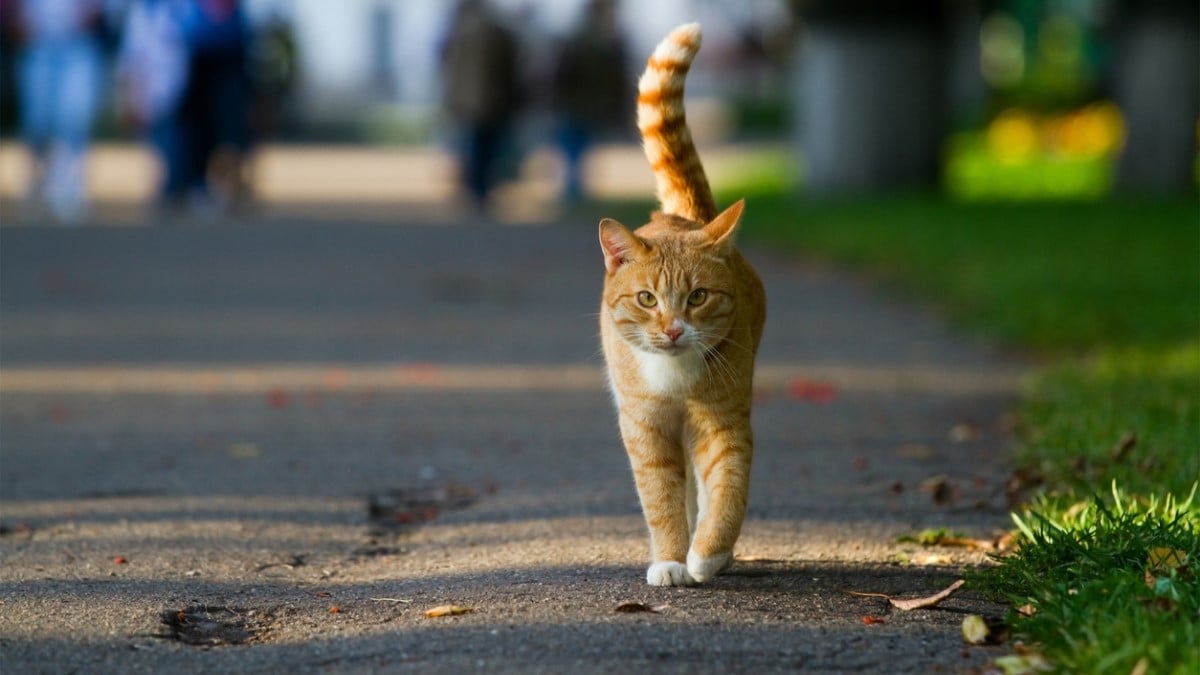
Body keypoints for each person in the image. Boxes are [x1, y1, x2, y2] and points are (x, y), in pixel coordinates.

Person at [13, 0, 106, 224]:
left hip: (79, 46)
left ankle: (69, 190)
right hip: (38, 45)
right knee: (38, 121)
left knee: (73, 118)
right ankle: (37, 176)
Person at [439, 0, 522, 212]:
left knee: (474, 147)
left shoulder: (460, 34)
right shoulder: (498, 33)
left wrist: (452, 98)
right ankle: (481, 190)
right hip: (493, 101)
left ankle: (476, 191)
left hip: (471, 102)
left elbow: (451, 71)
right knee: (486, 149)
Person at [551, 0, 630, 203]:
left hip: (575, 103)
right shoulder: (605, 42)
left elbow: (562, 73)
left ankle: (573, 188)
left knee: (574, 147)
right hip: (587, 103)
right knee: (578, 147)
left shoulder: (578, 39)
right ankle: (574, 188)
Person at [115, 0, 190, 212]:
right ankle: (167, 191)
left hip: (178, 90)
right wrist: (131, 99)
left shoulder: (179, 9)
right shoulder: (141, 13)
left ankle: (177, 189)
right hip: (151, 95)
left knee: (178, 142)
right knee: (158, 148)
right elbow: (131, 59)